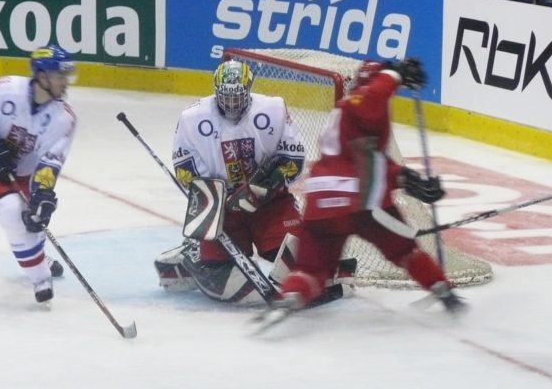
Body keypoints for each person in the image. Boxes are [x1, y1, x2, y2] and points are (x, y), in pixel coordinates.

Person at [154, 59, 356, 305]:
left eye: (237, 96)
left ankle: (330, 266)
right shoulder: (192, 118)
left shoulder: (273, 110)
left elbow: (293, 159)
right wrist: (213, 198)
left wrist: (264, 186)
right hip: (223, 210)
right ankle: (191, 254)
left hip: (270, 204)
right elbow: (184, 168)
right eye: (225, 97)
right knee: (219, 276)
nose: (231, 103)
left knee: (296, 256)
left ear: (248, 89)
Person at [276, 58, 467, 314]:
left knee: (311, 268)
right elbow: (371, 101)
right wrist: (393, 75)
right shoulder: (360, 102)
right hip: (362, 204)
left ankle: (291, 297)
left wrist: (409, 180)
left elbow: (369, 161)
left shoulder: (349, 118)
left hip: (321, 204)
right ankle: (442, 289)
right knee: (404, 250)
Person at [0, 44, 77, 303]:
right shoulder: (5, 90)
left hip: (25, 174)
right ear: (42, 75)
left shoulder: (64, 118)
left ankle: (37, 254)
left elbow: (50, 162)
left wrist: (42, 194)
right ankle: (40, 278)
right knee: (10, 209)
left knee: (32, 218)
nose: (66, 82)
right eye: (60, 75)